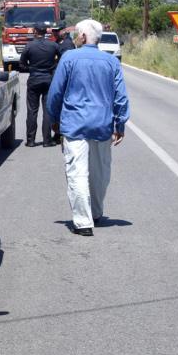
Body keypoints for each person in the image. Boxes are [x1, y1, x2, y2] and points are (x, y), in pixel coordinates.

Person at [46, 19, 130, 237]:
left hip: (75, 125)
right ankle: (96, 212)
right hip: (102, 125)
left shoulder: (69, 58)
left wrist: (54, 119)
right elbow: (121, 96)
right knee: (100, 172)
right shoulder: (111, 62)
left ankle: (83, 222)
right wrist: (120, 124)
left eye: (77, 34)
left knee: (78, 173)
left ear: (83, 37)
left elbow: (55, 93)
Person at [20, 25, 61, 147]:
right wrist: (53, 67)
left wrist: (31, 68)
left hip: (34, 80)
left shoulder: (29, 46)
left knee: (32, 111)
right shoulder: (53, 45)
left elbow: (21, 64)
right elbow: (62, 58)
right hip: (49, 79)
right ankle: (47, 140)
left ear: (35, 31)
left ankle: (31, 140)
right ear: (45, 32)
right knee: (47, 110)